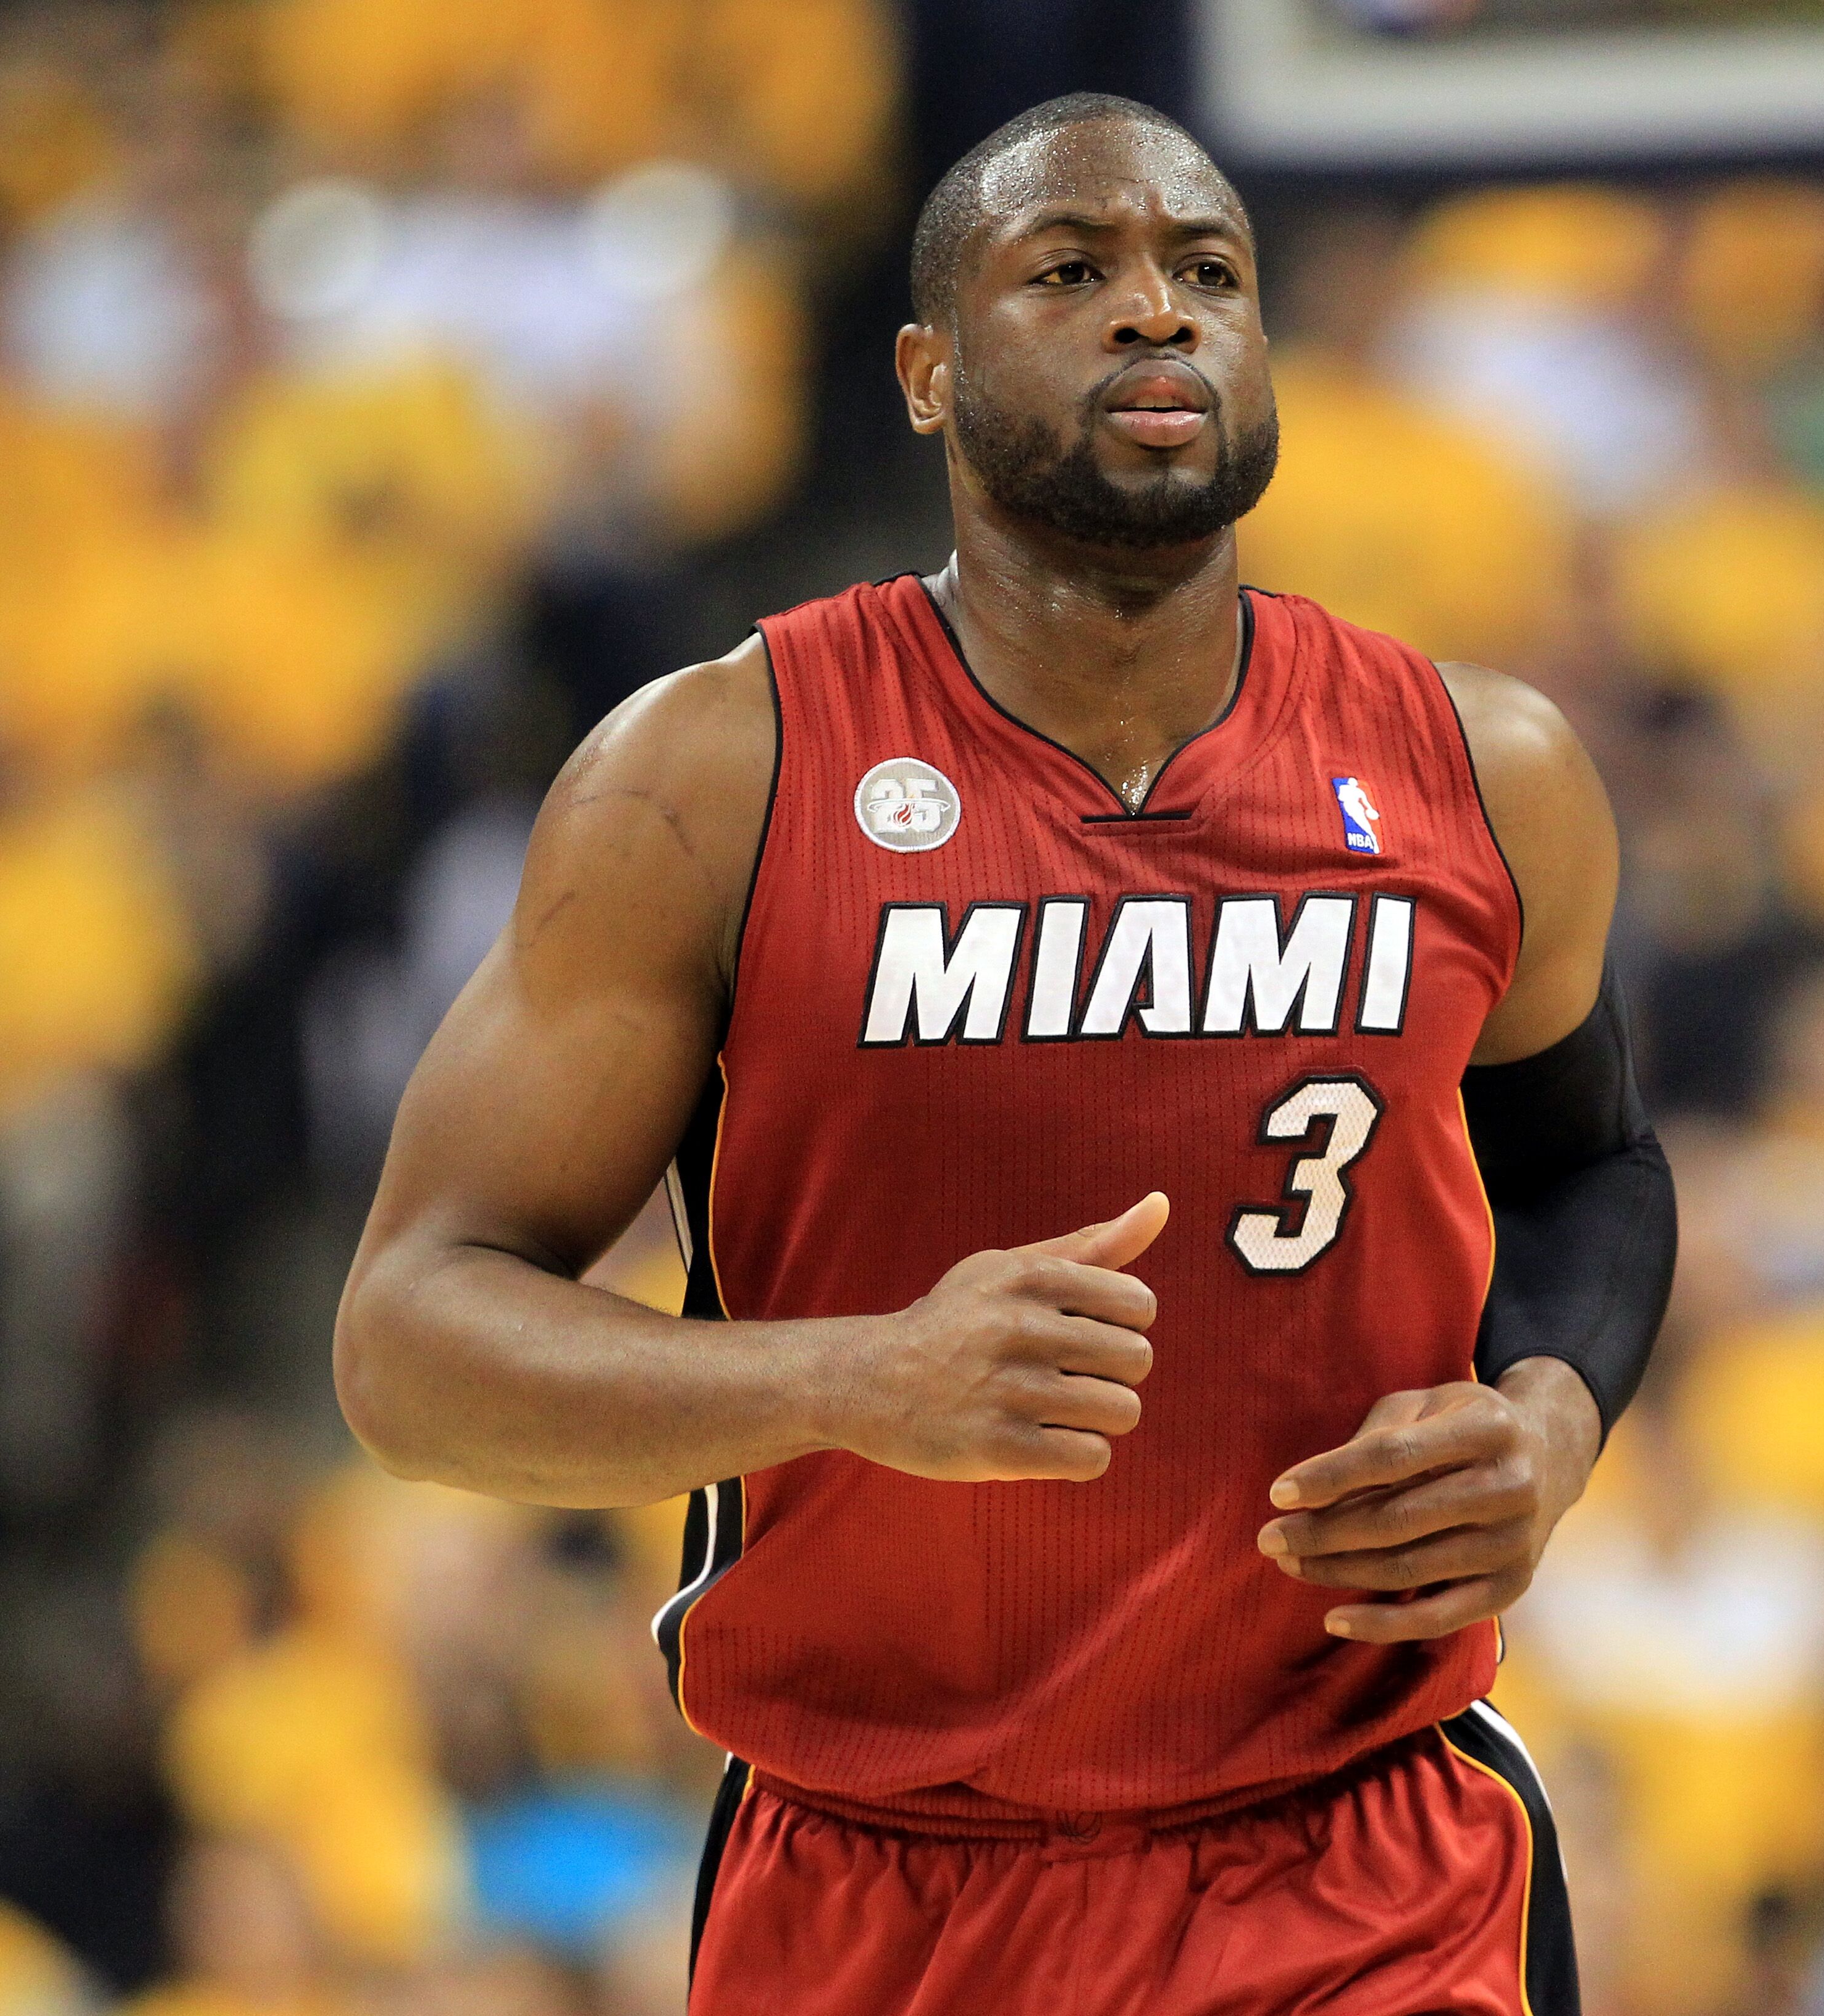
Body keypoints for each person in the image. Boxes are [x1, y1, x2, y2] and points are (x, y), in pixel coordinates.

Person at [332, 93, 1676, 2015]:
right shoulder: (713, 775)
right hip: (880, 1878)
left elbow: (1590, 1170)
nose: (1160, 316)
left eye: (1207, 273)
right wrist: (853, 1379)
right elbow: (408, 1348)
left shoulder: (1488, 768)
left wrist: (1550, 1418)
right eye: (1075, 273)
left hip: (1360, 1865)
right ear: (925, 375)